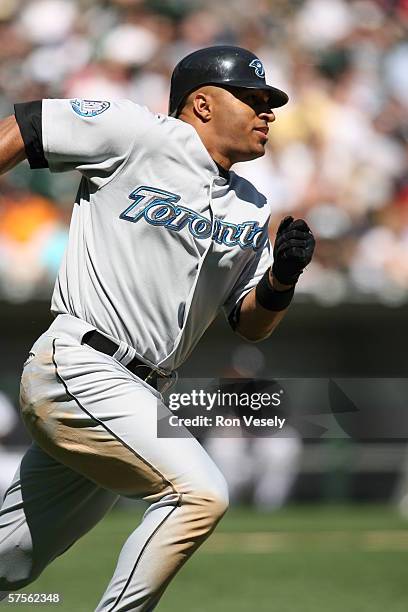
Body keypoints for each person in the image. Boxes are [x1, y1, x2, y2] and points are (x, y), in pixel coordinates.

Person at [0, 46, 315, 610]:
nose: (268, 112)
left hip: (141, 394)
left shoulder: (251, 205)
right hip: (83, 364)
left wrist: (283, 279)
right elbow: (25, 129)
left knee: (11, 559)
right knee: (199, 495)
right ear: (201, 103)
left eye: (272, 103)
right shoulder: (136, 133)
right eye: (253, 98)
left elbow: (251, 324)